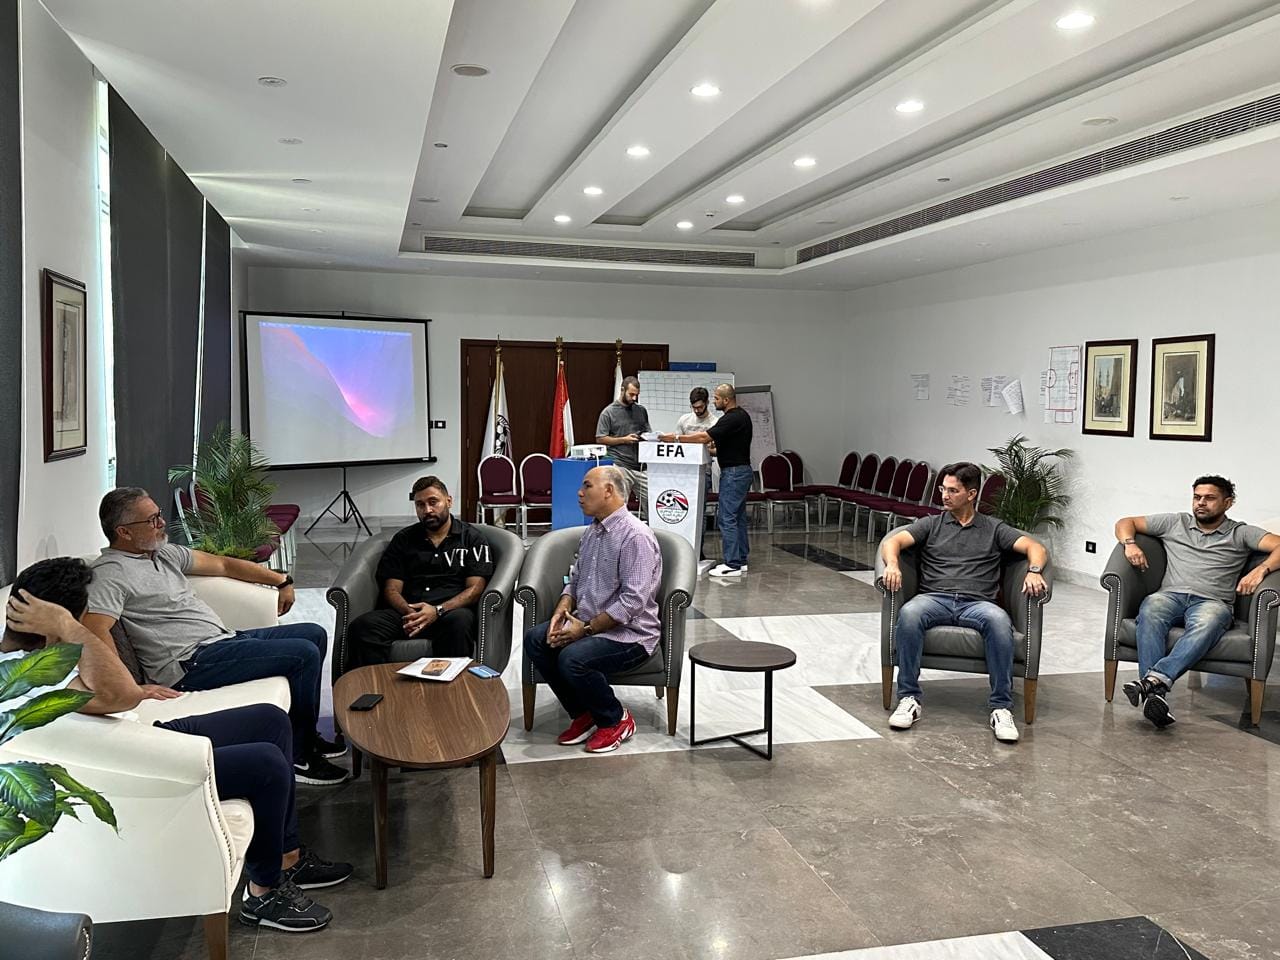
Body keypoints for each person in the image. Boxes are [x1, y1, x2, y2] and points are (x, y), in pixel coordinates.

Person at [3, 558, 351, 933]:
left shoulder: (32, 657)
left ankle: (287, 857)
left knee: (269, 720)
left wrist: (70, 633)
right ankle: (264, 892)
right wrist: (70, 627)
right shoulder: (30, 677)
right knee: (265, 764)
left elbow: (121, 695)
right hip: (132, 766)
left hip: (138, 735)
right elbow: (121, 695)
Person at [82, 487, 347, 785]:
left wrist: (282, 580)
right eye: (152, 520)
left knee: (313, 633)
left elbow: (223, 564)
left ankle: (307, 735)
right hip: (189, 662)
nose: (162, 523)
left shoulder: (163, 553)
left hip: (221, 641)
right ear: (124, 532)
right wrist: (130, 688)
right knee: (302, 654)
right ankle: (300, 755)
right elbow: (95, 630)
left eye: (159, 515)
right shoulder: (110, 574)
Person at [880, 462, 1049, 743]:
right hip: (934, 598)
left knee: (999, 622)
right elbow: (892, 542)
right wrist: (893, 565)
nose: (944, 496)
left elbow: (1035, 547)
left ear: (971, 494)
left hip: (977, 603)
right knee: (909, 614)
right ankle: (908, 698)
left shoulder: (994, 528)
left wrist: (1034, 571)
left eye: (952, 491)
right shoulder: (931, 524)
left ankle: (1001, 707)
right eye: (942, 489)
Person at [1114, 476, 1280, 728]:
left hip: (1213, 602)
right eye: (1197, 497)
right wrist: (1130, 544)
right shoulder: (1175, 522)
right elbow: (1126, 522)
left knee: (1208, 622)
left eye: (1210, 498)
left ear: (1228, 503)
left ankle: (1152, 683)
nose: (1201, 503)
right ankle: (1155, 691)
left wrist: (1262, 569)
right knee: (1151, 609)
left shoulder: (1241, 532)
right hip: (1170, 595)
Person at [522, 465, 662, 753]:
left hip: (631, 635)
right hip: (590, 625)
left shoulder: (635, 536)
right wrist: (562, 608)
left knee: (573, 658)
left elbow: (633, 602)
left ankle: (615, 719)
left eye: (587, 486)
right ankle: (584, 713)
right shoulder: (593, 531)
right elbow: (574, 579)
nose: (579, 493)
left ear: (608, 491)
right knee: (536, 639)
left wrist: (584, 629)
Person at [346, 476, 495, 667]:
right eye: (420, 505)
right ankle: (377, 684)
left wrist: (438, 610)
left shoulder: (472, 539)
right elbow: (391, 589)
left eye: (433, 502)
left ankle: (449, 685)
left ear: (448, 501)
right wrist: (411, 614)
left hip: (449, 612)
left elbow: (475, 589)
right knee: (363, 627)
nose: (427, 510)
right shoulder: (404, 539)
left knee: (461, 622)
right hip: (407, 613)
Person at [662, 383, 751, 578]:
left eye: (717, 398)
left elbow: (704, 437)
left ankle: (732, 564)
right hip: (740, 471)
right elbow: (722, 449)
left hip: (734, 473)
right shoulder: (741, 416)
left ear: (726, 400)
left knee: (727, 518)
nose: (715, 401)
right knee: (738, 517)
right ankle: (741, 560)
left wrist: (675, 439)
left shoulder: (731, 418)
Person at [675, 387, 719, 559]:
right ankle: (681, 550)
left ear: (707, 403)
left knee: (699, 512)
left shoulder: (715, 422)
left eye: (700, 407)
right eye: (694, 407)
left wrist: (706, 448)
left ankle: (698, 550)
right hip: (683, 473)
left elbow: (717, 450)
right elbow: (676, 445)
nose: (697, 410)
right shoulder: (684, 420)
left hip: (702, 473)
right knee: (682, 511)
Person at [596, 376, 652, 511]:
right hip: (620, 464)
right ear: (622, 390)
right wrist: (624, 439)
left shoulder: (641, 410)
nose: (634, 398)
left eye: (636, 395)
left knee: (653, 502)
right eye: (631, 394)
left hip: (640, 465)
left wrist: (647, 437)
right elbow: (600, 438)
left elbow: (647, 431)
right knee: (619, 505)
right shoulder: (608, 412)